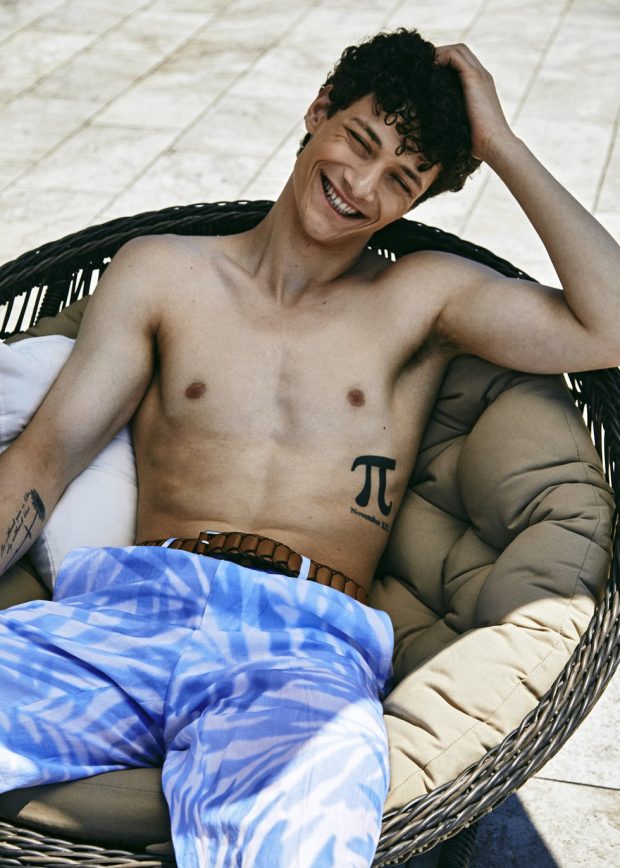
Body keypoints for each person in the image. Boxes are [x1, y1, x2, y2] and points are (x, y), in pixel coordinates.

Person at [0, 27, 619, 868]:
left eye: (401, 178)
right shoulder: (162, 273)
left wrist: (501, 144)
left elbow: (611, 326)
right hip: (127, 609)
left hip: (302, 642)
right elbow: (43, 462)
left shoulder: (422, 299)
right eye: (358, 141)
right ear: (319, 109)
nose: (362, 186)